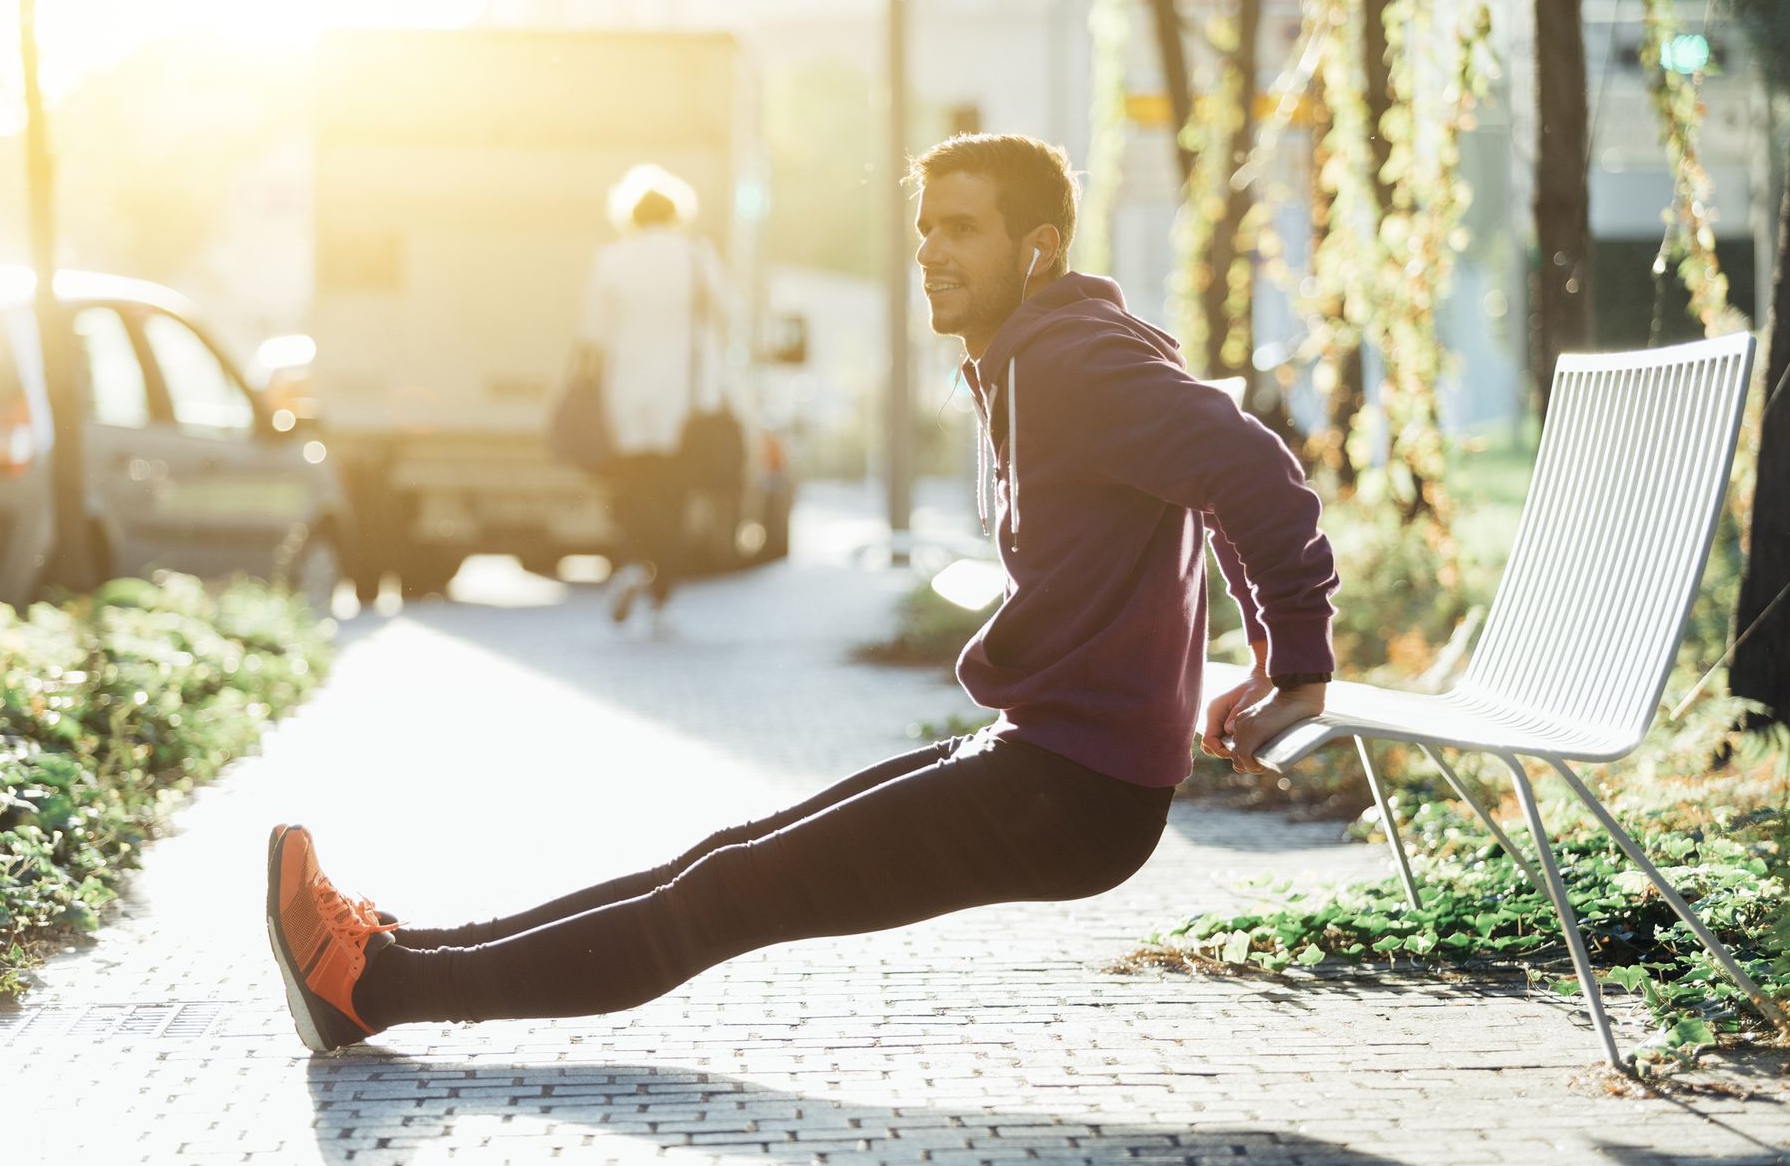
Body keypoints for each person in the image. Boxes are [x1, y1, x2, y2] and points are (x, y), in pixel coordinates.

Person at [264, 133, 1340, 1054]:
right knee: (721, 863)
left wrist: (1293, 664)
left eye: (961, 230)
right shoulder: (1037, 356)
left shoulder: (1073, 362)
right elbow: (1217, 482)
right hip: (1049, 759)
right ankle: (391, 956)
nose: (930, 253)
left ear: (1037, 248)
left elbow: (1252, 472)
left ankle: (372, 990)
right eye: (926, 231)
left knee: (717, 903)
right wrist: (1259, 654)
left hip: (1072, 789)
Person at [574, 163, 737, 627]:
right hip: (685, 401)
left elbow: (594, 332)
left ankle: (631, 563)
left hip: (627, 396)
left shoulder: (612, 259)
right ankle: (662, 594)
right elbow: (726, 314)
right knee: (673, 497)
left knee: (633, 490)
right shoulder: (696, 256)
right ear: (676, 214)